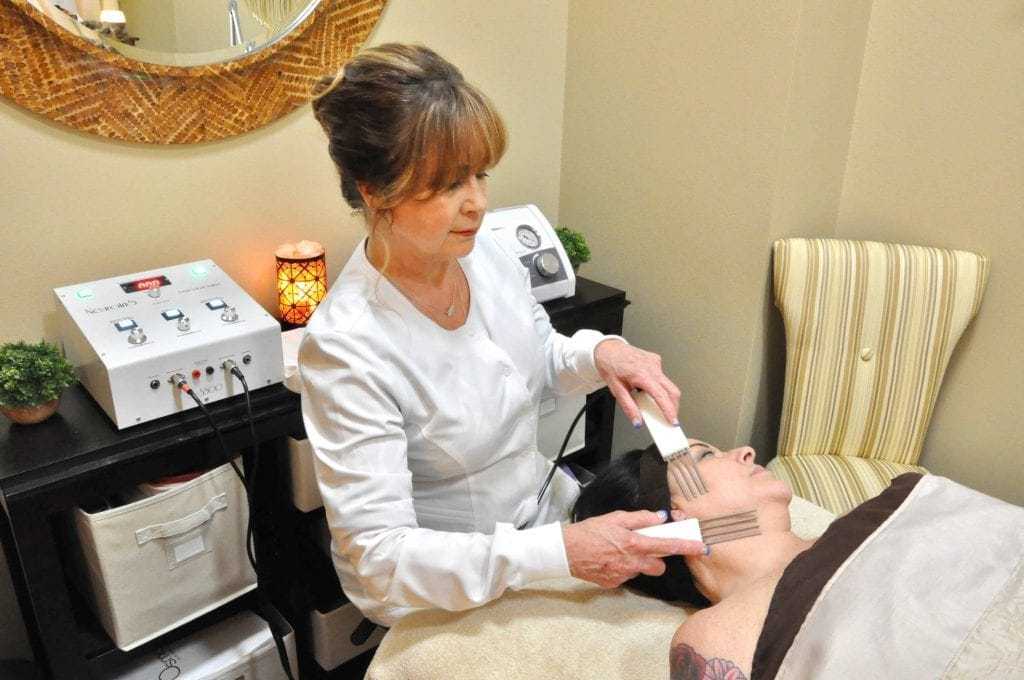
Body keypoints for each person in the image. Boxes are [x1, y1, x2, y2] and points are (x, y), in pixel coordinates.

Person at [299, 43, 705, 627]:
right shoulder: (346, 347)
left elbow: (537, 354)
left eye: (479, 174)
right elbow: (380, 558)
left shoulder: (481, 254)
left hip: (546, 515)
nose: (478, 204)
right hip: (447, 580)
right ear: (373, 190)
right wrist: (558, 554)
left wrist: (603, 352)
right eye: (446, 185)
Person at [573, 442, 1024, 680]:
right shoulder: (719, 634)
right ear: (669, 522)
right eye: (707, 455)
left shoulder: (893, 506)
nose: (746, 451)